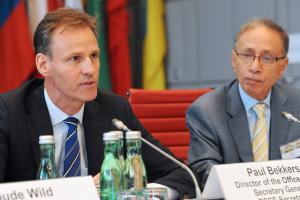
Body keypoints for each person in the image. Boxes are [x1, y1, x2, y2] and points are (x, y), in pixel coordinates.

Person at [0, 8, 195, 199]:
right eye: (75, 58)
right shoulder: (9, 113)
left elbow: (184, 174)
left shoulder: (115, 111)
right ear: (43, 65)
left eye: (94, 56)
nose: (89, 69)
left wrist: (142, 194)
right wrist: (81, 191)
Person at [187, 18, 300, 189]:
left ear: (282, 66)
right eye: (247, 55)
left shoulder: (296, 105)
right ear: (234, 60)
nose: (255, 67)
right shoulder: (206, 111)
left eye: (267, 58)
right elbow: (204, 172)